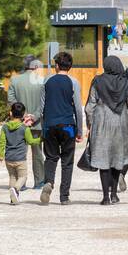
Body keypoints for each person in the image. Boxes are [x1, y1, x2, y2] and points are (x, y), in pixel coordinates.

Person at [84, 55, 128, 204]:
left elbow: (89, 106)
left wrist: (89, 125)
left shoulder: (97, 81)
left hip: (101, 124)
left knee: (104, 161)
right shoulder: (126, 83)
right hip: (120, 124)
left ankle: (105, 197)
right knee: (118, 159)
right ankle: (114, 195)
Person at [40, 51, 85, 204]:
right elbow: (78, 108)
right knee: (67, 161)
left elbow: (41, 108)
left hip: (50, 125)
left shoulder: (47, 81)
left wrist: (42, 129)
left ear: (57, 66)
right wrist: (80, 130)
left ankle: (48, 182)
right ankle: (64, 196)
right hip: (68, 126)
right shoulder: (73, 82)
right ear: (70, 66)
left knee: (51, 157)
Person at [8, 59, 46, 189]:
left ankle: (21, 183)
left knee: (20, 153)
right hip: (37, 123)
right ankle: (39, 181)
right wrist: (33, 116)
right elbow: (43, 103)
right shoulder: (42, 81)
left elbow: (11, 101)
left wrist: (22, 116)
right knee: (38, 153)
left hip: (19, 123)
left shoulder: (14, 80)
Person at [0, 101, 41, 204]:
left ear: (11, 113)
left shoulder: (5, 127)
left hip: (9, 158)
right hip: (20, 159)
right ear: (23, 115)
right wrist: (40, 139)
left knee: (12, 177)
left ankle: (13, 199)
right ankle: (16, 189)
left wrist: (0, 154)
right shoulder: (24, 128)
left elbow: (2, 141)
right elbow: (30, 141)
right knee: (23, 177)